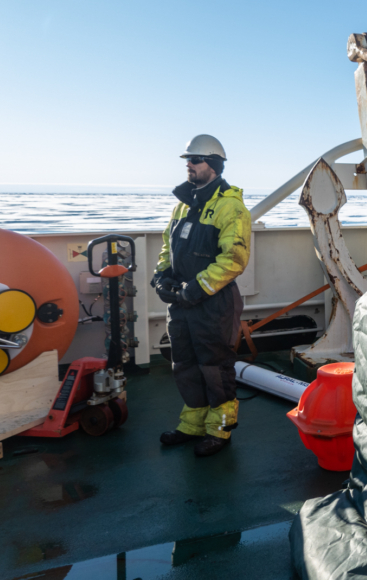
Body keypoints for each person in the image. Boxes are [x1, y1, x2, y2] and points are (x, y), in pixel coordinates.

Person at [151, 134, 251, 457]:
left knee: (215, 364)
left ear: (213, 164)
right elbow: (169, 244)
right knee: (184, 361)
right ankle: (193, 423)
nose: (189, 166)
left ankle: (219, 429)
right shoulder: (183, 204)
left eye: (194, 160)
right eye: (187, 161)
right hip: (182, 303)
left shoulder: (230, 206)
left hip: (212, 302)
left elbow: (233, 259)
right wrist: (162, 275)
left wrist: (194, 288)